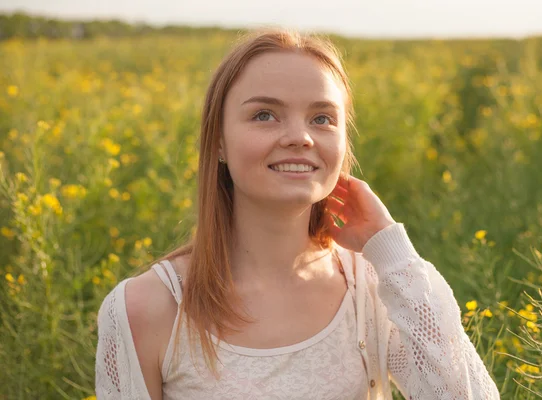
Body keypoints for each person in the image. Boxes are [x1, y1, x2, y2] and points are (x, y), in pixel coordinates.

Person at [95, 28, 501, 399]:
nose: (300, 138)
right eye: (264, 115)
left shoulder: (372, 287)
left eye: (322, 118)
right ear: (217, 142)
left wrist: (391, 249)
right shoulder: (146, 308)